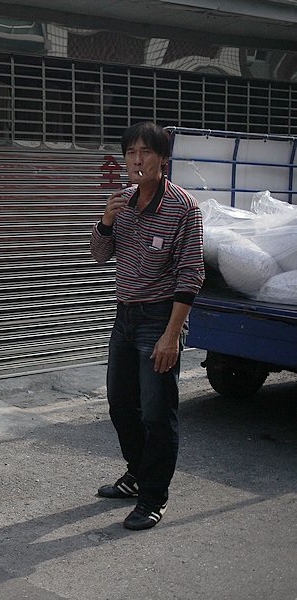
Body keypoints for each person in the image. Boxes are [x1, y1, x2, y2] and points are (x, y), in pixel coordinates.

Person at [90, 122, 205, 530]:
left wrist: (171, 336)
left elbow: (191, 275)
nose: (137, 160)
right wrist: (105, 220)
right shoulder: (121, 202)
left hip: (160, 319)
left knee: (157, 413)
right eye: (131, 152)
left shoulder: (184, 208)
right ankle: (137, 474)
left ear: (164, 159)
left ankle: (154, 497)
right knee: (121, 406)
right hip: (125, 317)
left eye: (146, 152)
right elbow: (100, 256)